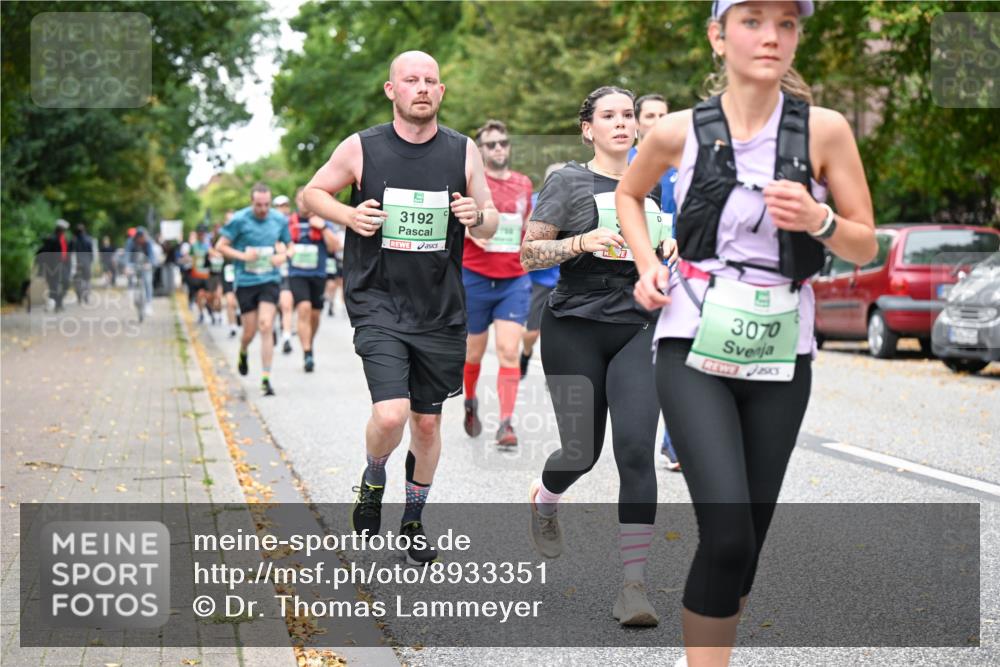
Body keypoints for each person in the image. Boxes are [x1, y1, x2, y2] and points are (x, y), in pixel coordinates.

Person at [616, 1, 876, 663]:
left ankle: (704, 646)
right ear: (718, 35)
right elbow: (629, 193)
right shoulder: (679, 132)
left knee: (746, 546)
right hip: (691, 339)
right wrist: (648, 266)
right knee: (726, 535)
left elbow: (864, 242)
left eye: (787, 23)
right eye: (753, 19)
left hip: (783, 347)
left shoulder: (826, 131)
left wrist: (818, 219)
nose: (772, 35)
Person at [304, 50, 498, 566]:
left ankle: (413, 518)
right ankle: (373, 476)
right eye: (410, 80)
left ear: (441, 92)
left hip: (439, 306)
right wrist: (348, 213)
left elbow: (491, 221)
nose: (421, 88)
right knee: (391, 414)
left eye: (430, 81)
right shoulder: (362, 147)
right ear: (391, 90)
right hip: (378, 300)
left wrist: (477, 214)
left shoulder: (463, 151)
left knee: (428, 425)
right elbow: (311, 193)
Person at [521, 86, 675, 627]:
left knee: (635, 451)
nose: (620, 123)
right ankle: (544, 498)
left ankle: (633, 588)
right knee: (581, 451)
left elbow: (662, 251)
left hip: (637, 327)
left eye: (627, 115)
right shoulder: (567, 180)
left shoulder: (651, 186)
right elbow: (528, 252)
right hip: (574, 328)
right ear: (588, 128)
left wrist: (667, 251)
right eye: (607, 116)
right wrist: (581, 243)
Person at [461, 120, 534, 447]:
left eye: (503, 142)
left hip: (513, 279)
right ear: (480, 150)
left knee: (509, 350)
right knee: (473, 353)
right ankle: (470, 399)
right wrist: (474, 234)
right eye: (491, 144)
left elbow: (528, 224)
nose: (499, 148)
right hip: (475, 276)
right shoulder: (471, 183)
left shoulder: (523, 183)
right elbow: (456, 223)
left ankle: (506, 422)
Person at [632, 93, 682, 472]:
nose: (658, 120)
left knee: (676, 354)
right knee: (641, 360)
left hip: (678, 269)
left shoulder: (683, 162)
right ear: (637, 123)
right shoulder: (628, 162)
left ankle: (673, 442)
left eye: (664, 115)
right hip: (630, 267)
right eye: (650, 115)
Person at [216, 183, 291, 396]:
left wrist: (282, 256)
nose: (263, 209)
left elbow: (290, 246)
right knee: (249, 331)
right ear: (252, 202)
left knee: (266, 325)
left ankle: (266, 379)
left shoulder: (278, 219)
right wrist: (243, 257)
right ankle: (243, 350)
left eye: (267, 204)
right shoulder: (239, 220)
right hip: (246, 281)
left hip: (269, 279)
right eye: (259, 205)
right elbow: (220, 246)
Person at [287, 187, 341, 372]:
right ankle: (307, 352)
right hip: (297, 273)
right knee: (303, 308)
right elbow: (278, 243)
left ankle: (309, 341)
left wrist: (323, 227)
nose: (304, 203)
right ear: (296, 202)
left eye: (306, 200)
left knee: (315, 315)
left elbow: (335, 247)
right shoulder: (288, 222)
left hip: (318, 274)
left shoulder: (324, 221)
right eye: (300, 200)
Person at [519, 162, 565, 378]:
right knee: (532, 331)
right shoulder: (534, 202)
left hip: (566, 278)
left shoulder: (578, 204)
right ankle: (526, 354)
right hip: (540, 278)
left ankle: (556, 373)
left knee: (562, 332)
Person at [274, 194, 296, 354]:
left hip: (287, 270)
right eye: (280, 206)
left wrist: (288, 251)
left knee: (287, 304)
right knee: (274, 306)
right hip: (269, 271)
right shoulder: (268, 223)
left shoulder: (291, 223)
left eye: (285, 206)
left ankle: (286, 337)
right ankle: (273, 327)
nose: (283, 209)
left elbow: (293, 246)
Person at [36, 219, 73, 312]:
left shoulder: (64, 239)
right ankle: (57, 305)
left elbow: (67, 253)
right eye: (62, 229)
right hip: (53, 266)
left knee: (66, 283)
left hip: (63, 265)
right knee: (54, 286)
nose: (63, 231)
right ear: (58, 229)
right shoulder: (51, 239)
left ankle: (58, 302)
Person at [183, 224, 215, 324]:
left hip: (207, 275)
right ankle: (201, 314)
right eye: (199, 234)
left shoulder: (208, 246)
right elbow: (189, 257)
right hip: (196, 275)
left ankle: (209, 309)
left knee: (209, 296)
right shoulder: (194, 246)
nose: (201, 236)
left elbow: (214, 256)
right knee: (199, 295)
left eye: (203, 234)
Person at [124, 226, 155, 316]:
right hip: (134, 264)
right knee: (131, 278)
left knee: (148, 282)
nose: (141, 240)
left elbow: (152, 256)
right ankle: (133, 294)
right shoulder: (130, 242)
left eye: (143, 238)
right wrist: (126, 266)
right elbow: (127, 255)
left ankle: (149, 304)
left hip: (146, 264)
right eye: (140, 238)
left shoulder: (148, 242)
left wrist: (149, 264)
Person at [220, 210, 240, 337]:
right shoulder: (222, 236)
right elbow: (215, 249)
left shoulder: (242, 233)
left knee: (238, 299)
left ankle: (238, 312)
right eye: (228, 220)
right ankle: (232, 326)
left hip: (241, 269)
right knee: (229, 300)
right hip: (228, 269)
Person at [71, 223, 95, 304]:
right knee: (87, 280)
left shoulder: (74, 240)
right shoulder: (88, 239)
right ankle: (86, 296)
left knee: (78, 280)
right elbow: (91, 253)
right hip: (87, 262)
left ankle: (79, 296)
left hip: (78, 263)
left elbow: (71, 252)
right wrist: (91, 261)